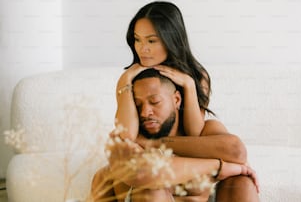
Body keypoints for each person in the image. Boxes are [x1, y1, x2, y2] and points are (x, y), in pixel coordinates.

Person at [91, 69, 260, 202]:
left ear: (177, 99)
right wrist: (220, 167)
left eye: (155, 102)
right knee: (151, 190)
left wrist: (156, 143)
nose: (145, 112)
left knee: (242, 182)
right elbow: (149, 173)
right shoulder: (128, 140)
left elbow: (236, 151)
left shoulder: (202, 134)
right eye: (138, 105)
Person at [116, 1, 210, 141]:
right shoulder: (130, 79)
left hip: (185, 150)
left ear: (171, 40)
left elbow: (195, 134)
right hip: (146, 153)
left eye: (151, 41)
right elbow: (126, 135)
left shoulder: (197, 76)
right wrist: (125, 79)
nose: (142, 49)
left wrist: (189, 85)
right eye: (137, 39)